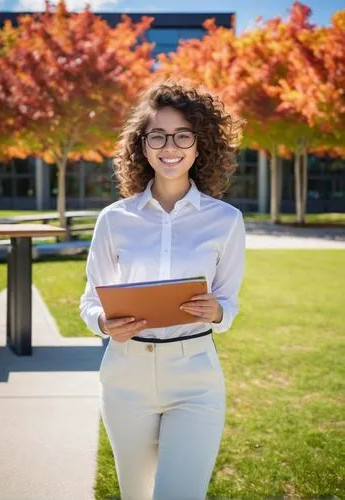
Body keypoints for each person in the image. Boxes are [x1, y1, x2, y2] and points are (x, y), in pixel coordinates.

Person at [79, 80, 246, 500]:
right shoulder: (114, 219)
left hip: (196, 375)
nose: (170, 146)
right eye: (158, 135)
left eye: (182, 135)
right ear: (143, 145)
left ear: (199, 144)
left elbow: (229, 302)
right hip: (126, 373)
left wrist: (217, 312)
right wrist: (102, 321)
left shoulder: (226, 220)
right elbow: (90, 300)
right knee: (135, 494)